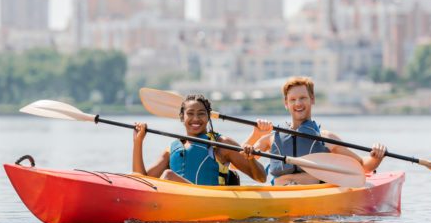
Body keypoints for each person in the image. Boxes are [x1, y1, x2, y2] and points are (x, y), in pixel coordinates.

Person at [243, 76, 387, 186]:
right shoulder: (272, 138)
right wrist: (255, 134)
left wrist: (376, 156)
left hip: (315, 197)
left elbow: (363, 166)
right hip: (281, 195)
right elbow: (236, 162)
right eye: (292, 100)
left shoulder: (326, 138)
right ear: (286, 103)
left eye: (303, 98)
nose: (298, 103)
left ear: (312, 99)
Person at [133, 94, 267, 185]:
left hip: (211, 202)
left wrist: (251, 160)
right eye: (190, 114)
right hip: (179, 204)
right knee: (164, 176)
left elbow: (261, 178)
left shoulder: (221, 144)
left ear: (208, 117)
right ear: (182, 117)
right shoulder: (172, 149)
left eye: (201, 114)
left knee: (168, 175)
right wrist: (138, 142)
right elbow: (141, 181)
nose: (196, 119)